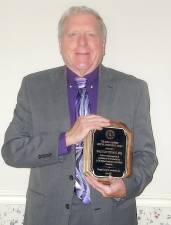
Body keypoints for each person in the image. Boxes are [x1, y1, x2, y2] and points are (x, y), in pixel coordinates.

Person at [1, 5, 158, 225]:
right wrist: (65, 139)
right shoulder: (33, 87)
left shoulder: (134, 90)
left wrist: (126, 186)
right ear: (60, 44)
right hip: (47, 216)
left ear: (103, 44)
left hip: (112, 215)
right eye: (73, 34)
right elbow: (11, 150)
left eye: (91, 34)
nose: (82, 42)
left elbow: (147, 156)